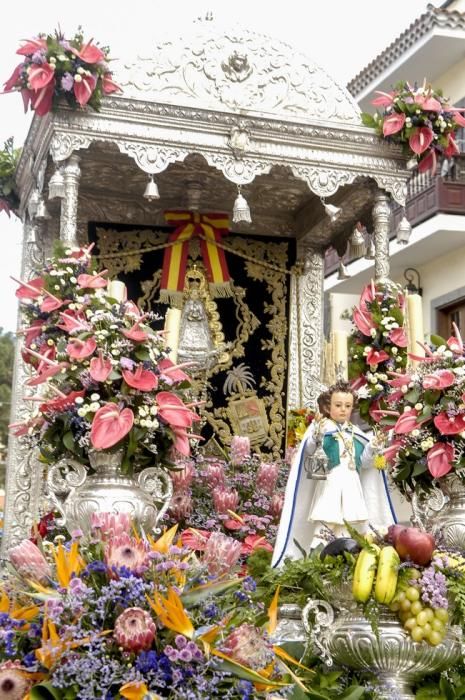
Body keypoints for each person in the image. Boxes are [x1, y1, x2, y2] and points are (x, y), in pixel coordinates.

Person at [272, 381, 397, 567]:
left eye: (347, 406)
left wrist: (372, 448)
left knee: (350, 528)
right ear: (327, 406)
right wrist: (316, 437)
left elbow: (364, 462)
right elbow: (309, 450)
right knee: (325, 525)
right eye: (338, 405)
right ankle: (315, 565)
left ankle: (347, 566)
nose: (343, 410)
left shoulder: (355, 433)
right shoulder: (322, 429)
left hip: (351, 486)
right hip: (330, 485)